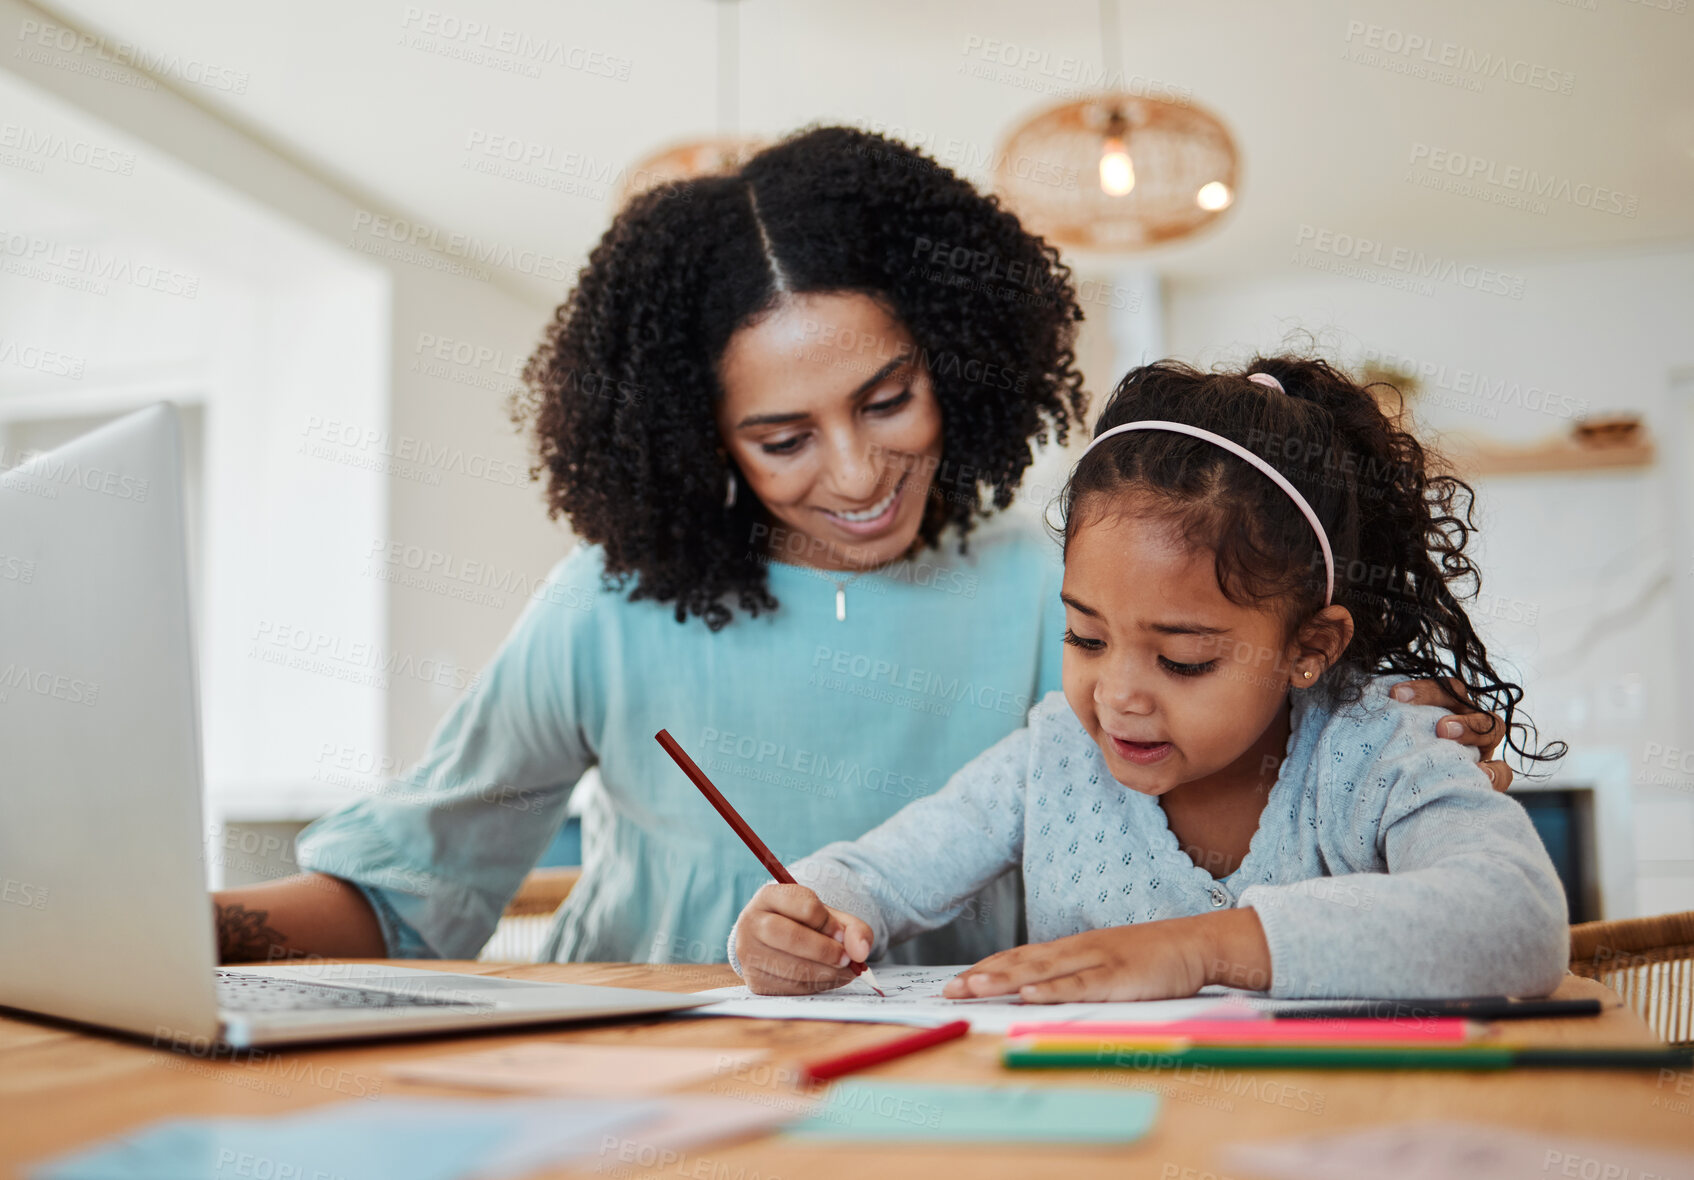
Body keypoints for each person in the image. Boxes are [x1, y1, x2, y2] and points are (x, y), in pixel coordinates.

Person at [210, 128, 1514, 968]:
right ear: (697, 437)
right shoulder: (600, 609)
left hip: (946, 1102)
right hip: (632, 1095)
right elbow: (408, 890)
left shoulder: (1048, 593)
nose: (855, 472)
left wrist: (1374, 718)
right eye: (780, 436)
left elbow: (1240, 760)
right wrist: (193, 934)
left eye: (887, 400)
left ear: (954, 352)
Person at [729, 356, 1569, 1000]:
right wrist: (806, 918)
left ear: (1309, 646)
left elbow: (1519, 921)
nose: (1117, 696)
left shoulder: (1376, 746)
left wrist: (1198, 946)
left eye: (1183, 659)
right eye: (1085, 636)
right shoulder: (1054, 754)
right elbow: (878, 877)